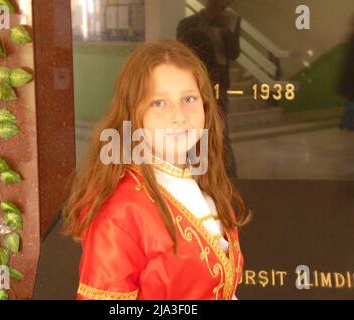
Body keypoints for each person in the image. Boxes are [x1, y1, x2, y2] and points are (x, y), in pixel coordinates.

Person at [62, 40, 249, 300]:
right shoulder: (120, 210)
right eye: (159, 103)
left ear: (205, 105)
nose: (179, 115)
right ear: (132, 113)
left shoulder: (205, 184)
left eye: (189, 99)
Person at [177, 0, 241, 177]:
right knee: (191, 129)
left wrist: (226, 31)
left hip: (219, 82)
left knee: (220, 130)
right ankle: (192, 174)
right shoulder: (188, 23)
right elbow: (181, 53)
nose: (218, 5)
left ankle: (230, 177)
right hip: (193, 83)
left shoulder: (232, 20)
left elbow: (234, 53)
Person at [338, 16, 354, 131]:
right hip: (352, 76)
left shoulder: (351, 37)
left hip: (350, 75)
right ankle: (347, 122)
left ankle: (345, 122)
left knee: (351, 100)